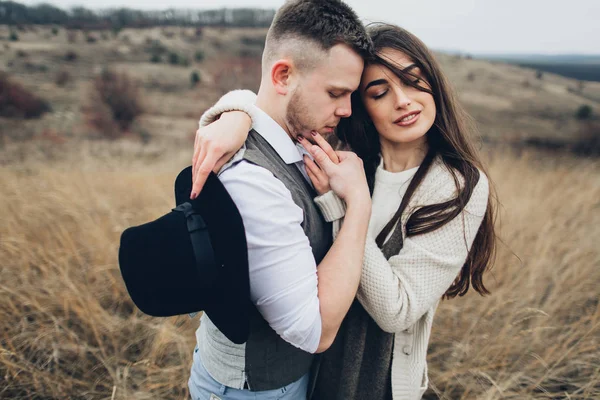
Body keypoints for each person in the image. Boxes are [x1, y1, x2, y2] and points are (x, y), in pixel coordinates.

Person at [190, 23, 497, 400]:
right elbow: (276, 101)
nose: (403, 100)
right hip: (311, 374)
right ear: (360, 107)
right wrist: (236, 113)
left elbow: (397, 310)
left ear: (434, 83)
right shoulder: (340, 156)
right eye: (380, 92)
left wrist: (349, 205)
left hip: (375, 384)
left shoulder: (456, 185)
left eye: (415, 81)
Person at [186, 1, 375, 400]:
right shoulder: (254, 183)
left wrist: (237, 108)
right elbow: (316, 330)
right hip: (253, 390)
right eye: (336, 93)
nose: (346, 109)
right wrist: (358, 204)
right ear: (283, 75)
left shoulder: (296, 136)